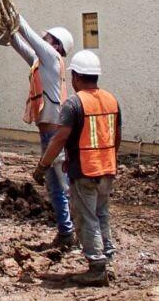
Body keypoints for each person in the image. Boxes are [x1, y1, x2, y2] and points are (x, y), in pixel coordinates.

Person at [35, 50, 120, 286]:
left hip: (86, 170)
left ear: (76, 77)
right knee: (102, 214)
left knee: (86, 218)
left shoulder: (74, 103)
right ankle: (107, 259)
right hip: (107, 168)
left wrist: (43, 166)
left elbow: (60, 138)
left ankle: (96, 266)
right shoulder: (111, 99)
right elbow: (117, 136)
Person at [10, 17, 76, 249]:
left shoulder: (52, 58)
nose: (44, 39)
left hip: (55, 135)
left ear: (56, 45)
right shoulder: (42, 63)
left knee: (64, 187)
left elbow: (30, 36)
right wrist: (8, 30)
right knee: (56, 187)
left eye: (48, 38)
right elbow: (21, 45)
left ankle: (76, 233)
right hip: (47, 134)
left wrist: (12, 13)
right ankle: (67, 232)